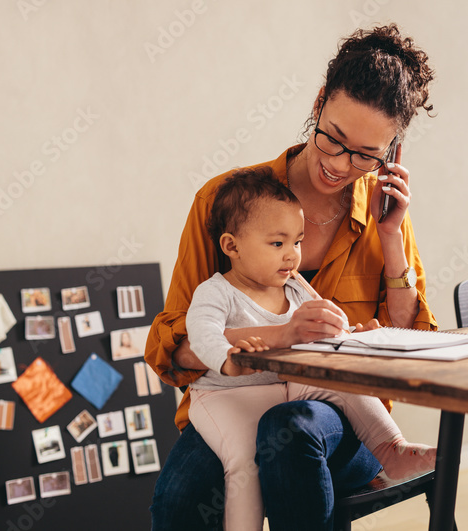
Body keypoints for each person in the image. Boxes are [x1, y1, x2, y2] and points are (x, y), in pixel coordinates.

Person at [146, 23, 436, 531]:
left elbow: (411, 339)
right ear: (320, 102)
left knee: (291, 431)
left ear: (391, 152)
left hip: (340, 421)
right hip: (235, 401)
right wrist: (269, 342)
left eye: (366, 155)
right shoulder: (225, 203)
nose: (340, 164)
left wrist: (392, 239)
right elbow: (171, 345)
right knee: (179, 497)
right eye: (334, 138)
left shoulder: (387, 216)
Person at [186, 168, 435, 531]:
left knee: (338, 380)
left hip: (284, 386)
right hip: (227, 396)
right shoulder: (216, 292)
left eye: (297, 242)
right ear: (231, 246)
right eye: (277, 244)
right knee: (243, 462)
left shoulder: (295, 286)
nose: (292, 256)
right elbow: (202, 335)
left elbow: (327, 329)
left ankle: (391, 450)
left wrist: (354, 334)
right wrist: (228, 360)